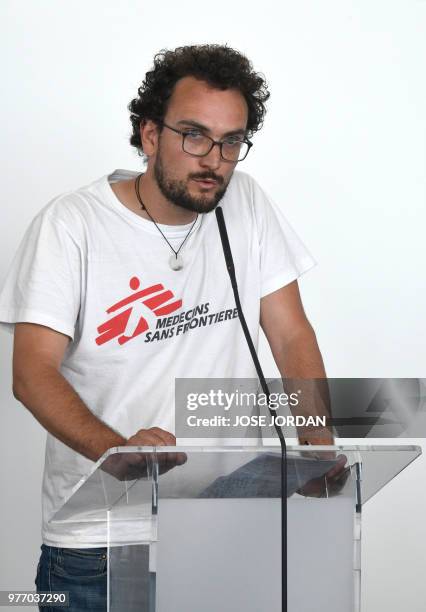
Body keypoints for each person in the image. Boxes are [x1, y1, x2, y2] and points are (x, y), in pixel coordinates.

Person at [0, 44, 345, 611]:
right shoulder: (72, 225)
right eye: (193, 134)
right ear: (149, 135)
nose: (213, 158)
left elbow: (290, 333)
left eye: (231, 141)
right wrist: (118, 452)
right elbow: (31, 374)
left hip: (229, 525)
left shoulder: (247, 204)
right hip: (104, 547)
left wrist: (317, 440)